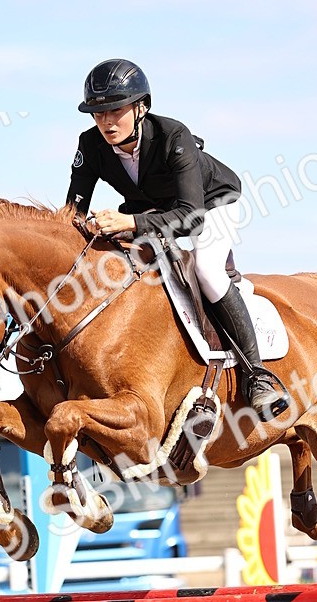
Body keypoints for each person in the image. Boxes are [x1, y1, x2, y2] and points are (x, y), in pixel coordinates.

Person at [66, 58, 287, 421]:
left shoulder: (173, 136)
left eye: (115, 110)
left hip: (208, 205)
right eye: (97, 113)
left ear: (141, 107)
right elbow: (72, 209)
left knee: (206, 270)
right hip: (146, 209)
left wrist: (129, 221)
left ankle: (257, 376)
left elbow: (190, 218)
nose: (106, 121)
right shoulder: (90, 145)